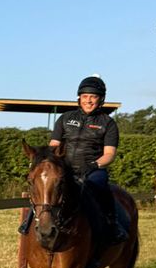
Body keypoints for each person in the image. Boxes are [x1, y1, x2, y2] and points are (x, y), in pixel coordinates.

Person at [49, 75, 129, 245]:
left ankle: (112, 225)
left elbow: (109, 154)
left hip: (93, 170)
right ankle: (28, 224)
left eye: (93, 97)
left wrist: (93, 165)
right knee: (46, 189)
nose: (89, 100)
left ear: (101, 100)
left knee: (99, 187)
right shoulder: (65, 118)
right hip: (66, 168)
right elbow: (54, 145)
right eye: (85, 96)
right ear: (79, 98)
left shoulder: (108, 123)